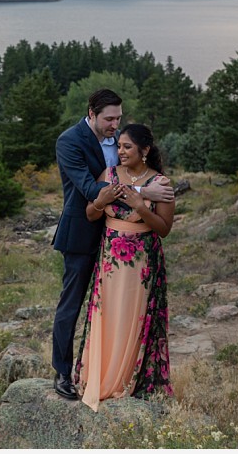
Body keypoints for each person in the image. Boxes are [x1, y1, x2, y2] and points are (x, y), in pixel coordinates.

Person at [51, 90, 173, 401]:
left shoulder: (120, 140)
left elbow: (133, 165)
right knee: (72, 305)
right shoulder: (69, 141)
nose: (115, 125)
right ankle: (63, 373)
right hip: (82, 233)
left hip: (119, 242)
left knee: (115, 310)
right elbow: (91, 188)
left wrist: (145, 187)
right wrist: (144, 190)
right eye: (109, 119)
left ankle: (119, 371)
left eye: (118, 118)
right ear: (91, 112)